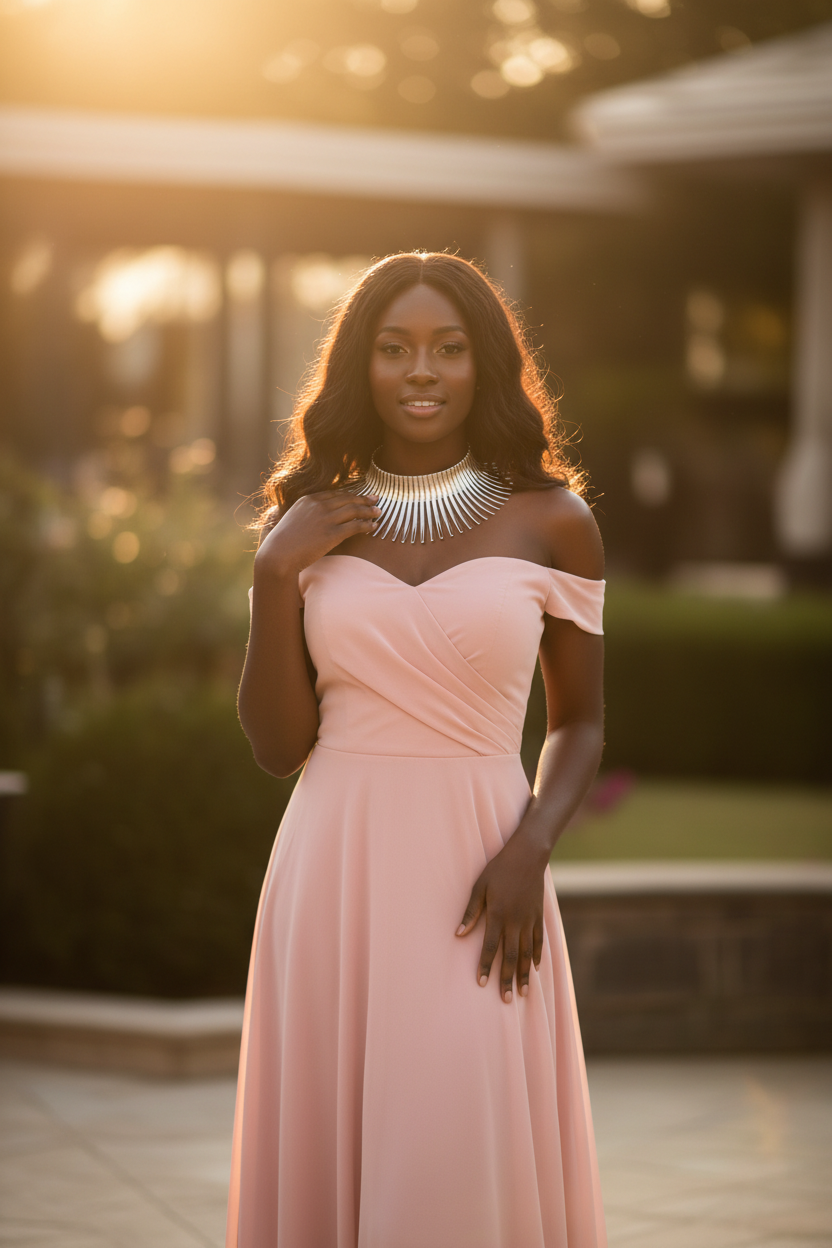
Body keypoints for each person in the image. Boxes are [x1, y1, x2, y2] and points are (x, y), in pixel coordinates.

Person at [228, 252, 607, 1248]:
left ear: (483, 364)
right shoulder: (309, 526)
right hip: (333, 869)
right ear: (362, 366)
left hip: (483, 873)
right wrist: (273, 574)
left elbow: (579, 721)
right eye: (393, 349)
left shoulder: (554, 522)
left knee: (451, 1145)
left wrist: (532, 845)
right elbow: (278, 748)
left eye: (446, 348)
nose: (421, 371)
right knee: (341, 1144)